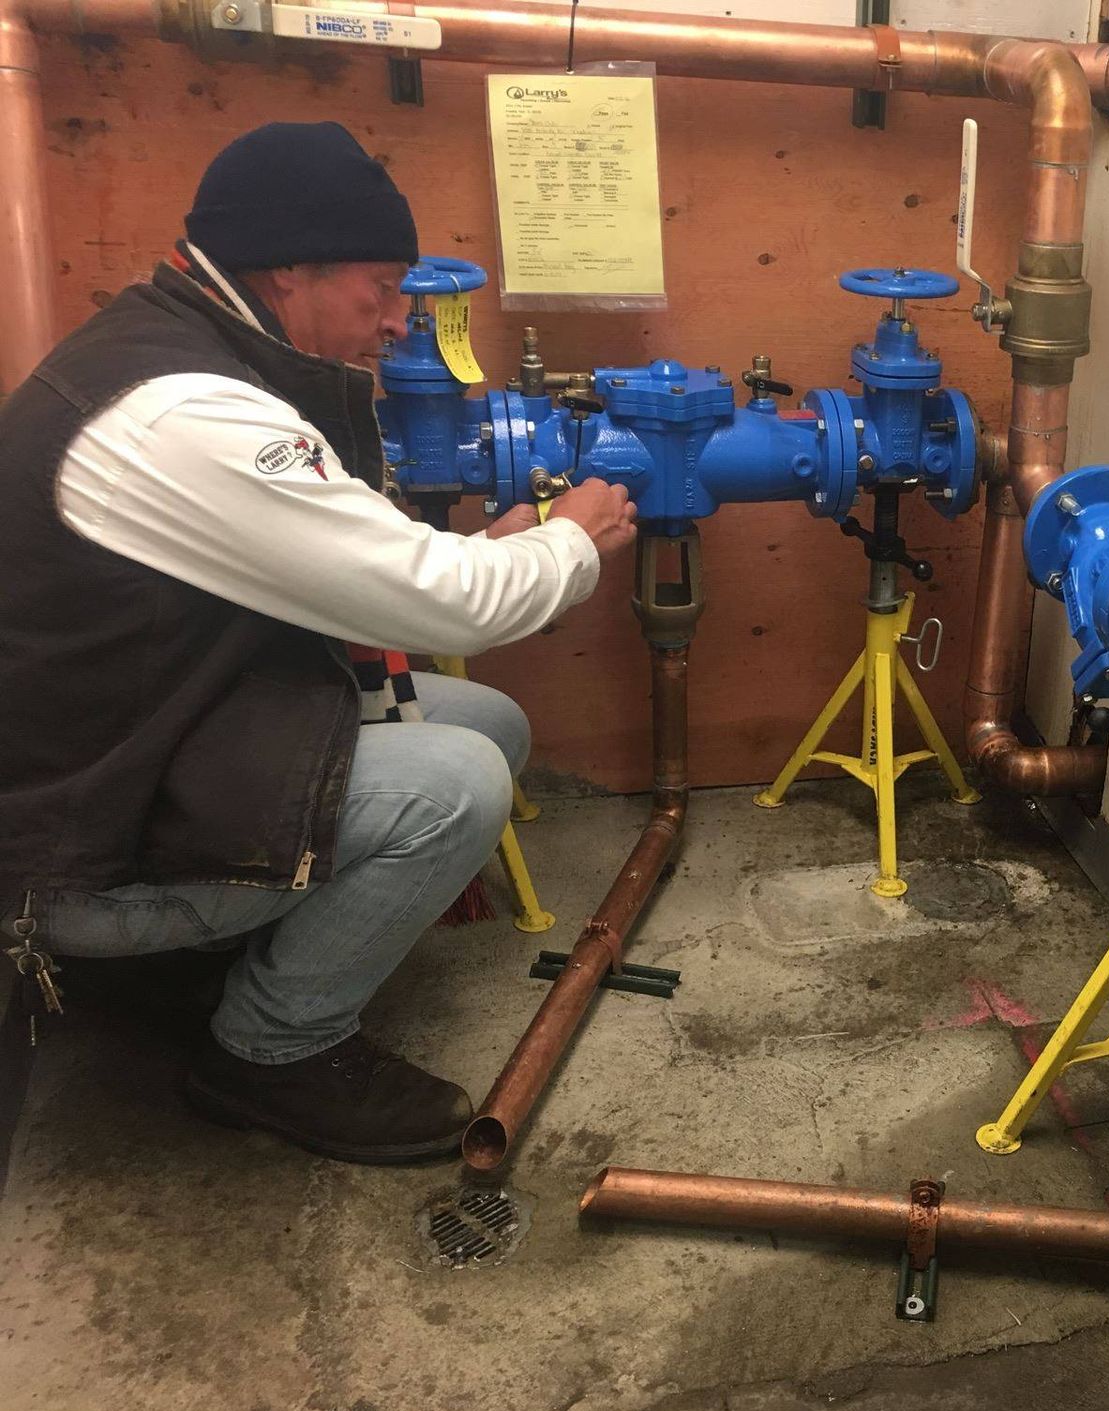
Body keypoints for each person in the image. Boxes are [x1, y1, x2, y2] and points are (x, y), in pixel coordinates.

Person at [0, 121, 638, 1163]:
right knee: (456, 782)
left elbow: (351, 565)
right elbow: (452, 608)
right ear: (287, 270)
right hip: (70, 855)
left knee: (486, 717)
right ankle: (271, 1051)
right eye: (380, 290)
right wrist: (574, 544)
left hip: (132, 745)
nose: (396, 323)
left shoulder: (179, 345)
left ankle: (232, 955)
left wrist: (480, 547)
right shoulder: (185, 417)